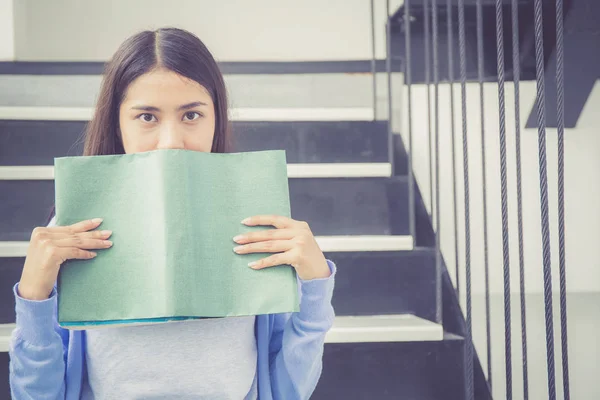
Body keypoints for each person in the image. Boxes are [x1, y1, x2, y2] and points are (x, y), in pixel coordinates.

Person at [8, 27, 336, 400]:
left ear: (217, 117)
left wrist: (315, 288)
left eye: (192, 115)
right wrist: (34, 297)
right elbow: (36, 395)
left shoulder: (258, 222)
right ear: (117, 121)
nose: (171, 142)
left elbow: (288, 389)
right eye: (147, 117)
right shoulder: (72, 230)